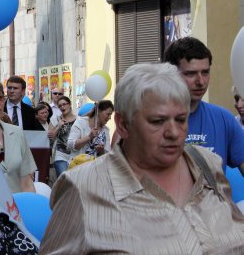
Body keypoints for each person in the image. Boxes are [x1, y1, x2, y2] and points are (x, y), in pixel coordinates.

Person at [40, 63, 244, 254]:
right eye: (158, 121)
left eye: (181, 119)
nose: (173, 132)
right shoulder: (83, 187)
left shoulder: (207, 164)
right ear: (123, 124)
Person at [163, 37, 244, 174]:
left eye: (205, 72)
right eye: (190, 73)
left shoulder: (224, 119)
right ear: (170, 74)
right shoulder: (151, 120)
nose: (200, 81)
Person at [48, 95, 76, 177]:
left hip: (75, 154)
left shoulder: (78, 120)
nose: (62, 107)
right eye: (60, 106)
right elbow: (50, 138)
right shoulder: (55, 119)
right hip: (60, 155)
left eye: (64, 104)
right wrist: (59, 126)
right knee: (64, 178)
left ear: (70, 104)